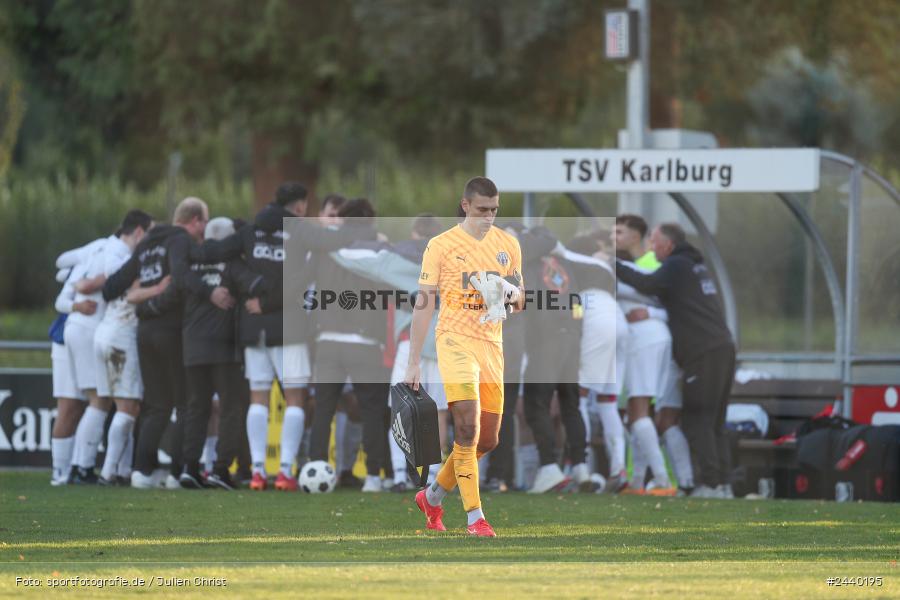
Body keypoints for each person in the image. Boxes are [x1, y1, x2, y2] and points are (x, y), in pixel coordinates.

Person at [192, 183, 362, 491]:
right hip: (290, 328)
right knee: (295, 397)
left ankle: (258, 472)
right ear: (298, 207)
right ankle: (284, 472)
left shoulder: (250, 231)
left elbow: (216, 252)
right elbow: (323, 254)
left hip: (253, 327)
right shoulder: (299, 231)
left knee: (258, 397)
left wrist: (189, 251)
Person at [405, 176, 524, 537]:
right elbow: (424, 304)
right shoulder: (441, 246)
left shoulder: (508, 244)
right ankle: (476, 519)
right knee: (467, 428)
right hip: (454, 340)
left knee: (487, 440)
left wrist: (507, 293)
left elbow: (521, 300)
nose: (489, 217)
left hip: (491, 344)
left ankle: (433, 495)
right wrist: (413, 361)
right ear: (465, 205)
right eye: (483, 210)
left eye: (495, 210)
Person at [615, 223, 736, 498]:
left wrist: (613, 265)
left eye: (655, 242)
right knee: (714, 421)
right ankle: (723, 484)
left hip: (702, 352)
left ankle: (710, 484)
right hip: (722, 347)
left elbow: (645, 283)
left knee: (698, 419)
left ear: (668, 244)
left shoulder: (677, 265)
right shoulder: (693, 266)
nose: (652, 247)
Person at [103, 197, 210, 489]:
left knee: (155, 404)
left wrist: (143, 303)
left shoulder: (146, 245)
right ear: (196, 221)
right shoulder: (179, 240)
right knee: (184, 404)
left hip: (144, 333)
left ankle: (141, 472)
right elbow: (180, 279)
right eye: (205, 222)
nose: (204, 230)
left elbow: (112, 286)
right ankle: (177, 473)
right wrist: (155, 305)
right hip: (171, 330)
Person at [306, 199, 388, 492]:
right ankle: (375, 476)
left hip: (327, 339)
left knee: (323, 411)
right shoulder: (378, 249)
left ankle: (314, 469)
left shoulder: (325, 250)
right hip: (364, 343)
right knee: (371, 411)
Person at [92, 210, 154, 485]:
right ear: (141, 233)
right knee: (127, 406)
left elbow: (106, 286)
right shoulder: (140, 260)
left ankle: (119, 469)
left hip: (104, 332)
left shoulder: (119, 257)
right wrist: (161, 287)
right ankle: (108, 472)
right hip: (121, 336)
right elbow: (133, 294)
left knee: (117, 406)